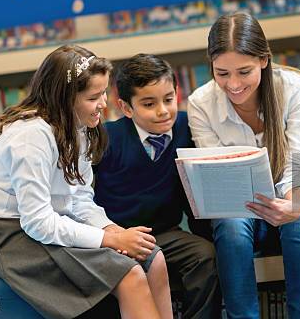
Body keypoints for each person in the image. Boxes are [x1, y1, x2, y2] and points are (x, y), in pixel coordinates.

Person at [0, 45, 172, 319]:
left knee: (153, 259)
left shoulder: (81, 126)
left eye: (103, 93)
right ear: (65, 98)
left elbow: (79, 199)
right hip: (5, 232)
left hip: (51, 220)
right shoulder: (30, 137)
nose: (103, 104)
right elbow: (37, 222)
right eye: (94, 97)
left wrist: (114, 231)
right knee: (131, 275)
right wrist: (109, 241)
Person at [187, 12, 300, 318]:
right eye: (222, 73)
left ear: (264, 59)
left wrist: (291, 203)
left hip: (294, 193)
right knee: (232, 228)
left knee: (298, 223)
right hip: (240, 206)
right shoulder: (200, 103)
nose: (233, 84)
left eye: (244, 71)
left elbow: (298, 159)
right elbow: (218, 173)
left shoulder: (294, 87)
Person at [94, 53, 221, 318]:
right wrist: (110, 237)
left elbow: (195, 188)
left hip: (165, 232)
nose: (163, 111)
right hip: (118, 236)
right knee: (132, 270)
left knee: (204, 255)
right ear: (127, 108)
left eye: (168, 99)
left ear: (177, 93)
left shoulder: (189, 126)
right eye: (149, 104)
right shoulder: (106, 139)